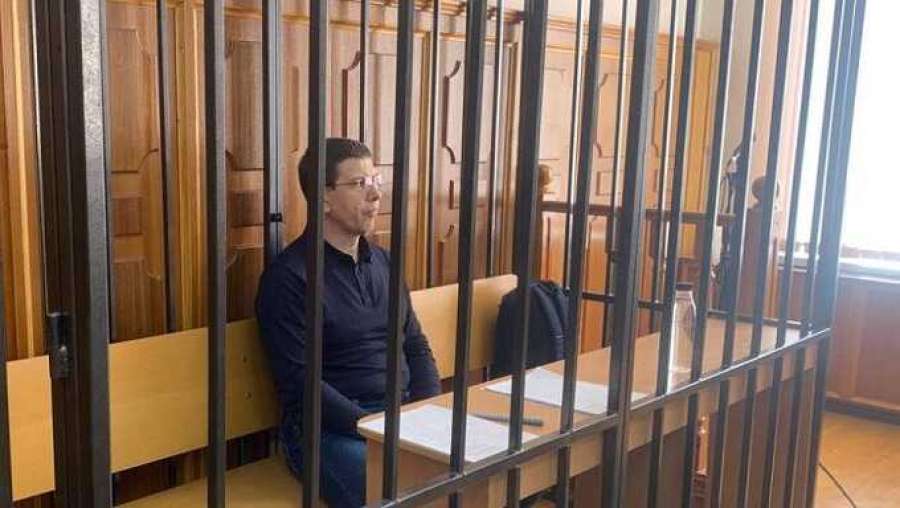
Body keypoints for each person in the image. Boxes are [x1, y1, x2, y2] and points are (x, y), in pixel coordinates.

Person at [256, 138, 441, 508]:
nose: (375, 194)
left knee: (472, 469)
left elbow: (415, 346)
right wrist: (376, 428)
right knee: (398, 490)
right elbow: (301, 383)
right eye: (359, 184)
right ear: (323, 197)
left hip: (400, 414)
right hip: (330, 430)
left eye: (375, 180)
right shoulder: (289, 278)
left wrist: (428, 413)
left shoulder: (385, 263)